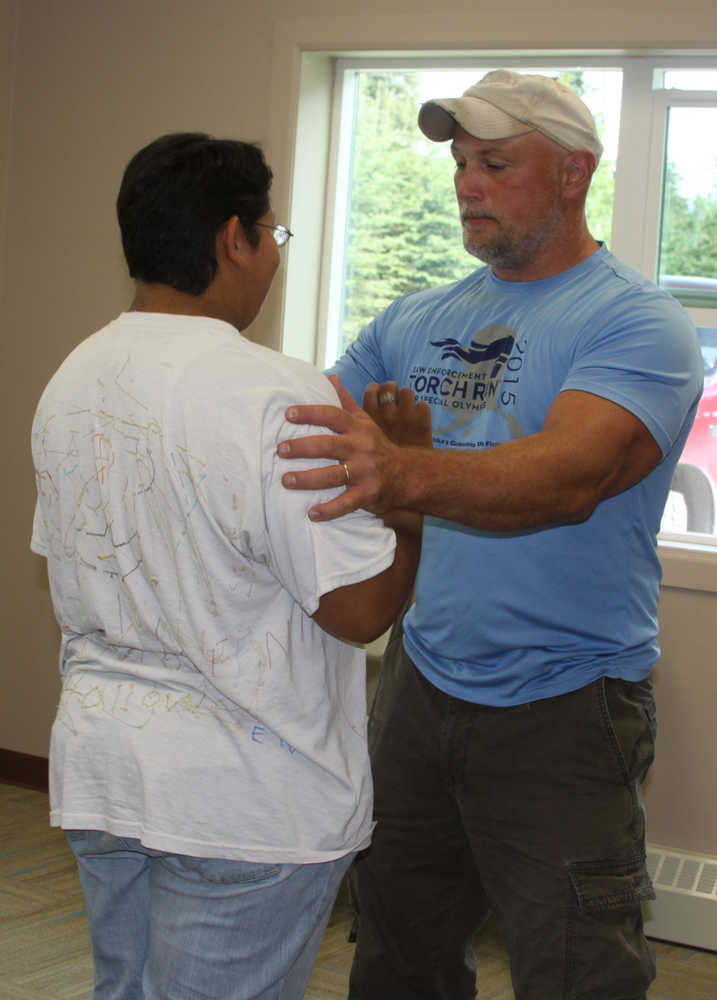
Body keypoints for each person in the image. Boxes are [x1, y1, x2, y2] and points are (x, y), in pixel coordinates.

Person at [276, 71, 705, 999]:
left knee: (575, 973)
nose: (467, 185)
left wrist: (405, 471)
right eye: (462, 164)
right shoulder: (418, 318)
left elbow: (565, 478)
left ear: (572, 174)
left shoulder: (635, 322)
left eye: (496, 165)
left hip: (566, 701)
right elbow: (302, 423)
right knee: (397, 954)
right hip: (421, 685)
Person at [30, 132, 427, 1000]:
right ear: (232, 241)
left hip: (106, 770)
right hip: (245, 801)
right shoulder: (275, 391)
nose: (274, 257)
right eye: (272, 234)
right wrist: (408, 494)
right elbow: (359, 611)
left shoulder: (73, 376)